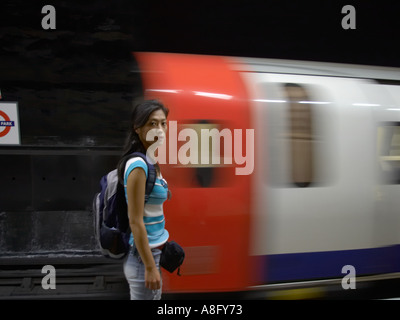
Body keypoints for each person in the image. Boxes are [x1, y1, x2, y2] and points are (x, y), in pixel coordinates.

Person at [118, 99, 170, 300]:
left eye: (163, 123)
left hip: (151, 254)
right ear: (137, 129)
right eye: (152, 123)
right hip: (143, 259)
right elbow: (135, 221)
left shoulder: (150, 161)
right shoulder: (138, 165)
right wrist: (149, 267)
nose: (160, 129)